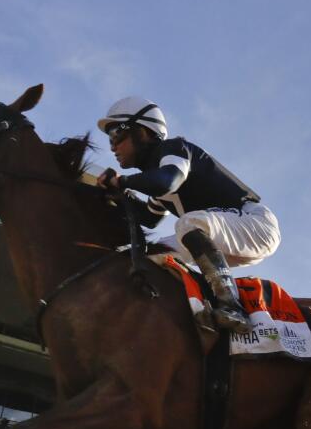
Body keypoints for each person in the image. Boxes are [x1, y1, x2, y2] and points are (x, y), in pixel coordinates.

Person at [95, 96, 280, 334]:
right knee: (152, 254)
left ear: (142, 131)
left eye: (116, 134)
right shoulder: (153, 173)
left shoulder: (173, 148)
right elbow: (150, 218)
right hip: (219, 236)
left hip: (255, 224)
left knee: (187, 224)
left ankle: (231, 307)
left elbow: (167, 182)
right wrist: (118, 197)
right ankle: (192, 312)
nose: (112, 146)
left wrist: (122, 182)